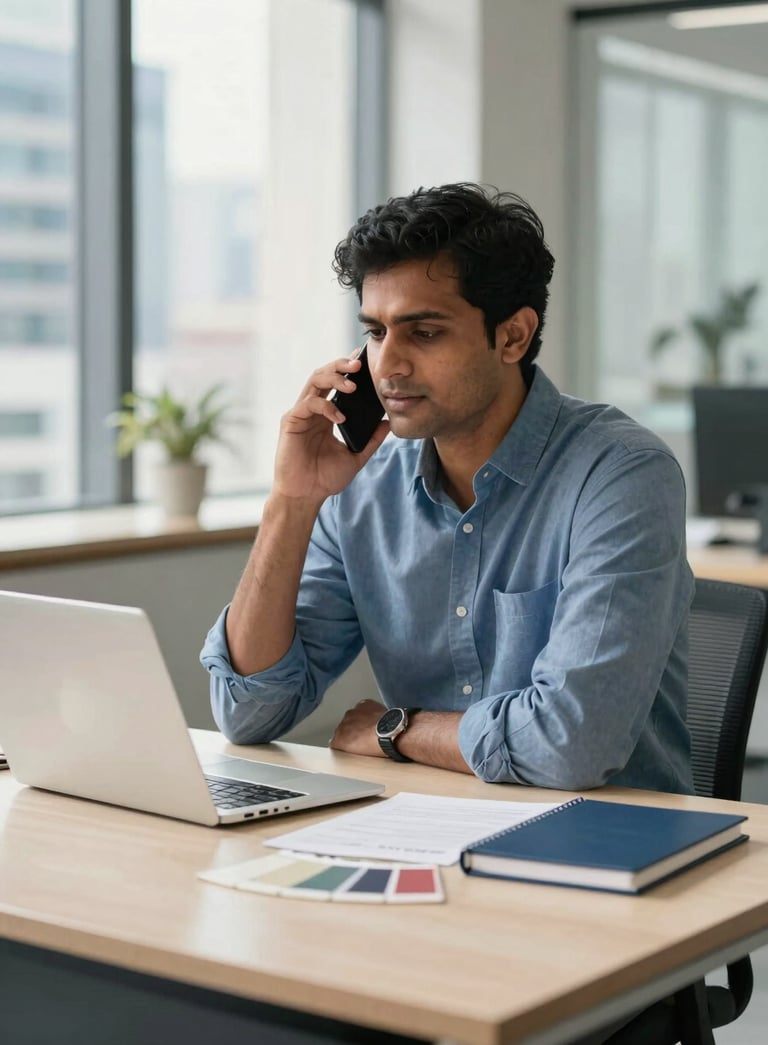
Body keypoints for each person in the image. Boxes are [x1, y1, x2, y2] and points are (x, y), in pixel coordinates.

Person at [200, 182, 694, 794]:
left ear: (512, 336)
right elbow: (250, 712)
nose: (388, 366)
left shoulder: (620, 474)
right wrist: (292, 503)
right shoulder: (361, 486)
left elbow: (574, 745)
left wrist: (396, 729)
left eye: (424, 333)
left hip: (610, 845)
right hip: (423, 833)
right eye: (376, 333)